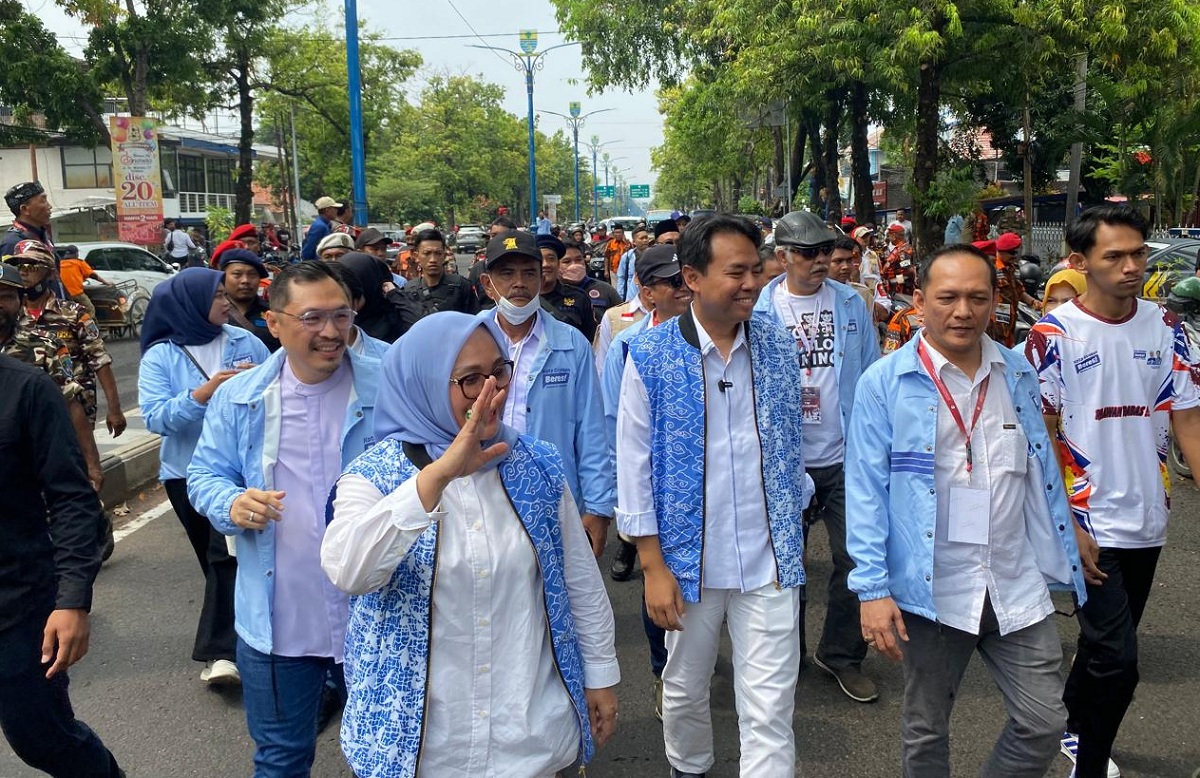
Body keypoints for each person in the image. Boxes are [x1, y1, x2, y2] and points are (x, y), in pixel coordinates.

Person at [322, 312, 619, 776]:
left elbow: (578, 580)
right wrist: (437, 477)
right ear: (422, 383)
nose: (492, 393)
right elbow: (349, 571)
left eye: (499, 371)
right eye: (470, 380)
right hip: (424, 750)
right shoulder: (373, 476)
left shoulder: (535, 463)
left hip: (531, 739)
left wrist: (600, 676)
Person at [846, 243, 1087, 778]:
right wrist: (872, 589)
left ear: (995, 300)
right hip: (932, 589)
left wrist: (1070, 529)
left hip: (1012, 579)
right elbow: (864, 491)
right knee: (926, 730)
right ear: (920, 300)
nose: (963, 311)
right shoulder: (885, 384)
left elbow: (1043, 472)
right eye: (948, 297)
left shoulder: (1017, 373)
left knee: (1043, 722)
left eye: (977, 298)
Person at [616, 214, 812, 777]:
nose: (752, 282)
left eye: (757, 268)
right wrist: (652, 564)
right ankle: (690, 766)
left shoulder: (777, 346)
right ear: (694, 277)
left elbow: (790, 440)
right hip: (685, 562)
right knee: (683, 690)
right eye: (736, 272)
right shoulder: (649, 357)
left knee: (771, 705)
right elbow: (634, 466)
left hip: (769, 558)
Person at [187, 260, 382, 778]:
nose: (330, 332)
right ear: (273, 324)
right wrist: (230, 503)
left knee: (395, 755)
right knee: (280, 759)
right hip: (279, 622)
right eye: (312, 317)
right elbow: (204, 474)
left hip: (379, 615)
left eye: (341, 316)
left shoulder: (389, 383)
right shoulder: (241, 396)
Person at [1025, 205, 1200, 778]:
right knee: (1119, 660)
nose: (1131, 266)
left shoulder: (1168, 328)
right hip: (1088, 523)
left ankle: (1071, 724)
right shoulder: (1053, 336)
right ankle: (1090, 761)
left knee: (1107, 651)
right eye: (1115, 257)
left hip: (1148, 518)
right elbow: (1041, 436)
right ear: (1079, 262)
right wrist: (1065, 524)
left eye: (1138, 254)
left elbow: (1189, 423)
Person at [754, 210, 881, 703]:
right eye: (808, 253)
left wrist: (874, 452)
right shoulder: (759, 310)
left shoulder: (852, 304)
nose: (821, 261)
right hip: (785, 462)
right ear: (782, 256)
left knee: (856, 559)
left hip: (846, 456)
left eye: (826, 251)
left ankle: (841, 654)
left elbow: (868, 378)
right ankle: (788, 656)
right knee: (789, 565)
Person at [138, 268, 269, 685]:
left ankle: (227, 651)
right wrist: (203, 394)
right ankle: (236, 632)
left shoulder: (245, 340)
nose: (227, 301)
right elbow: (157, 418)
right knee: (212, 561)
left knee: (227, 555)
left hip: (237, 470)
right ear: (191, 302)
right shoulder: (163, 355)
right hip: (183, 473)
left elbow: (277, 389)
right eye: (217, 295)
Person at [0, 353, 126, 778]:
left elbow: (71, 499)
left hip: (18, 603)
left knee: (41, 736)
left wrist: (72, 600)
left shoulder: (27, 389)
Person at [478, 231, 614, 557]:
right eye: (506, 274)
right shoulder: (466, 342)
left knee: (555, 599)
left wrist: (597, 508)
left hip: (554, 500)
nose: (519, 283)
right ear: (487, 284)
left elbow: (591, 432)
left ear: (542, 278)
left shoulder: (571, 344)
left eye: (528, 273)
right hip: (482, 498)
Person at [601, 245, 692, 718]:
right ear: (648, 292)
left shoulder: (714, 336)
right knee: (659, 582)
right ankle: (663, 672)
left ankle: (694, 662)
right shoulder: (627, 343)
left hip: (703, 488)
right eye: (672, 284)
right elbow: (616, 422)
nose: (684, 290)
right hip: (655, 488)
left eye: (687, 280)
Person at [6, 239, 127, 437]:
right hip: (26, 411)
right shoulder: (10, 315)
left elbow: (100, 361)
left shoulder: (74, 314)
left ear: (51, 272)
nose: (23, 271)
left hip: (73, 410)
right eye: (18, 266)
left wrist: (114, 409)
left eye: (31, 265)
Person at [0, 264, 101, 491]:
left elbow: (71, 404)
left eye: (6, 296)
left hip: (32, 471)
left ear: (20, 301)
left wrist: (91, 464)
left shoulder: (45, 347)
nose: (0, 303)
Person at [339, 252, 421, 343]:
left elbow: (420, 331)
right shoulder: (335, 317)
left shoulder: (392, 314)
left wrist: (395, 295)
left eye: (354, 287)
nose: (348, 294)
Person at [403, 228, 479, 316]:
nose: (433, 260)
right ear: (416, 256)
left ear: (444, 255)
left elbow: (476, 321)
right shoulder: (409, 290)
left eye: (438, 253)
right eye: (427, 253)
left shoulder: (462, 286)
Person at [538, 234, 597, 341]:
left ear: (558, 264)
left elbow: (591, 339)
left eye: (551, 259)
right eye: (541, 259)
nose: (546, 264)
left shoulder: (579, 297)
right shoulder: (521, 299)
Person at [219, 248, 279, 352]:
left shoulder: (273, 312)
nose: (245, 280)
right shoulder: (213, 313)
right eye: (237, 274)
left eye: (252, 275)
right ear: (223, 277)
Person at [989, 232, 1041, 347]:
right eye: (1011, 252)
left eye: (1016, 252)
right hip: (996, 321)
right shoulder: (991, 269)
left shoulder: (1012, 268)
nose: (1014, 256)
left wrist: (1034, 302)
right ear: (1001, 251)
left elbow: (1019, 290)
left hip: (1010, 321)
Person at [562, 240, 622, 324]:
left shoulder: (605, 289)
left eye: (579, 260)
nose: (574, 265)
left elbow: (623, 317)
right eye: (567, 261)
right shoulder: (552, 292)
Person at [57, 244, 113, 317]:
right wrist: (105, 282)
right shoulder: (79, 262)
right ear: (76, 253)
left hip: (64, 295)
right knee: (90, 309)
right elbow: (92, 275)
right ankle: (89, 326)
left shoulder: (60, 263)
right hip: (76, 293)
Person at [615, 225, 652, 299]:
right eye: (641, 238)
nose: (645, 240)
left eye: (646, 237)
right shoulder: (627, 257)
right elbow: (621, 278)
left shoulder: (655, 255)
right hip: (632, 296)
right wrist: (621, 296)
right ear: (634, 242)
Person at [301, 196, 342, 260]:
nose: (336, 211)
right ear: (327, 210)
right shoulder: (319, 226)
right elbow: (307, 252)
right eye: (335, 208)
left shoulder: (326, 225)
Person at [881, 222, 916, 297]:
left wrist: (897, 282)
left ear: (894, 236)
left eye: (889, 235)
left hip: (900, 288)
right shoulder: (899, 249)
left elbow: (908, 269)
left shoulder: (902, 251)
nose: (888, 237)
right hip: (894, 286)